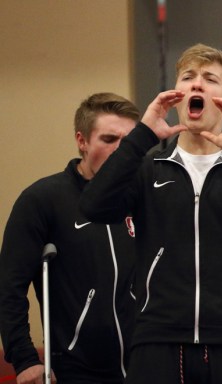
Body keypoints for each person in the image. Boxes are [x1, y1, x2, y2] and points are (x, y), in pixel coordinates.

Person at [80, 44, 222, 384]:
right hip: (157, 341)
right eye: (188, 77)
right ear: (177, 96)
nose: (197, 85)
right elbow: (93, 205)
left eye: (210, 79)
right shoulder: (147, 169)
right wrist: (142, 135)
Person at [0, 92, 138, 384]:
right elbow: (9, 286)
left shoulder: (143, 198)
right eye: (109, 139)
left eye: (129, 142)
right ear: (82, 141)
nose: (121, 151)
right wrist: (24, 360)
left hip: (145, 366)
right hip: (76, 370)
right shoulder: (42, 199)